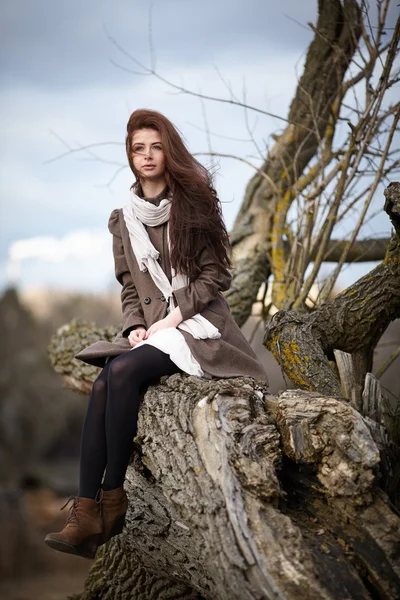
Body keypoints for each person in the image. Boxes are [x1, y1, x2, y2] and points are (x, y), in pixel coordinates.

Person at [45, 109, 269, 559]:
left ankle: (112, 499)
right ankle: (88, 510)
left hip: (199, 325)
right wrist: (137, 325)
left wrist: (172, 317)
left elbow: (215, 276)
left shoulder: (195, 204)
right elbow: (130, 286)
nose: (146, 156)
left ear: (168, 152)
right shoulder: (123, 219)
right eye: (137, 148)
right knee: (106, 379)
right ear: (130, 156)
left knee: (122, 374)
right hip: (157, 329)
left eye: (155, 146)